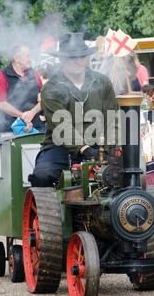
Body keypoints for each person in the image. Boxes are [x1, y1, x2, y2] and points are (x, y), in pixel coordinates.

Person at [28, 32, 119, 187]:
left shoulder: (102, 82)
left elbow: (113, 118)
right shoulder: (51, 89)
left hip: (98, 148)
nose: (78, 61)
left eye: (81, 56)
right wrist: (85, 149)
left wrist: (114, 146)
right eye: (72, 57)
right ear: (62, 59)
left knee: (128, 174)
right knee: (42, 176)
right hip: (59, 148)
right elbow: (62, 127)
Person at [0, 45, 44, 133]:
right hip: (10, 130)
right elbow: (1, 104)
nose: (30, 59)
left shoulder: (34, 73)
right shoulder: (2, 75)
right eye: (27, 56)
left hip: (36, 129)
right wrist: (22, 116)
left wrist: (32, 112)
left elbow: (43, 98)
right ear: (17, 58)